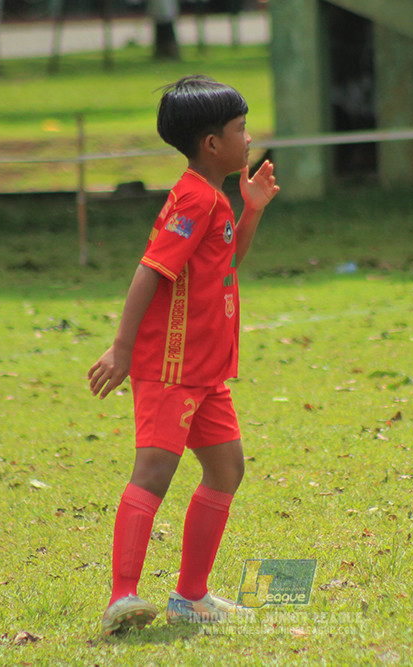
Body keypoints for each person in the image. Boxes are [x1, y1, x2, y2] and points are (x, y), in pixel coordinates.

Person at [88, 75, 279, 635]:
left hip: (206, 372)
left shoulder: (214, 196)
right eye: (241, 130)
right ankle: (121, 598)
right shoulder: (194, 198)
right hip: (171, 369)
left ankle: (191, 596)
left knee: (226, 467)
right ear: (212, 144)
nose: (250, 139)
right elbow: (151, 269)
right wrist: (123, 349)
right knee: (154, 471)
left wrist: (253, 210)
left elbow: (226, 261)